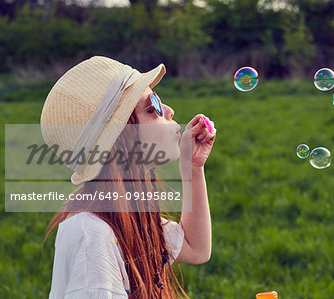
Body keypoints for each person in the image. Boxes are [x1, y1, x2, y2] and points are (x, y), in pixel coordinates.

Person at [41, 56, 216, 298]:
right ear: (120, 138)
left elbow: (196, 249)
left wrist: (193, 167)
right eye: (152, 105)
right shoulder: (90, 234)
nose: (168, 110)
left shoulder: (130, 212)